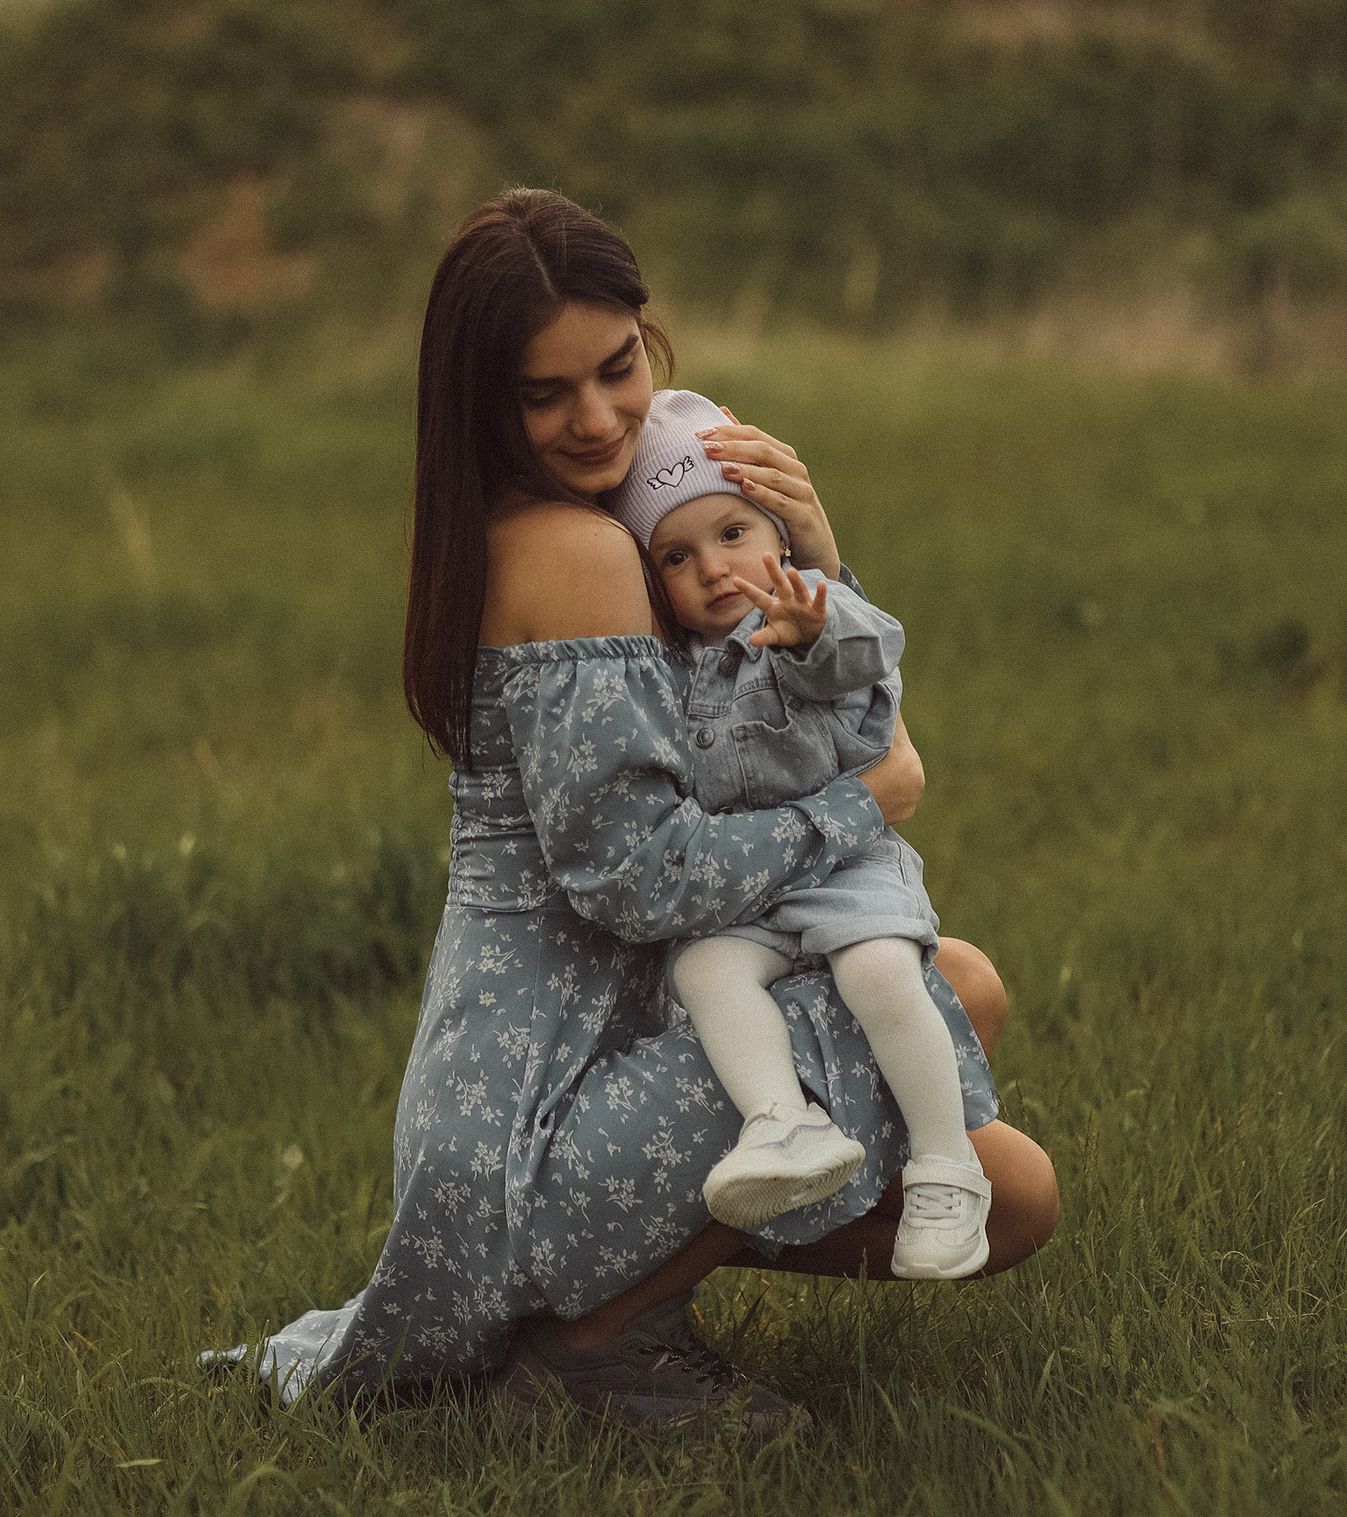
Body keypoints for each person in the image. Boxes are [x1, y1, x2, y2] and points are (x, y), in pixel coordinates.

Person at [213, 189, 1056, 1435]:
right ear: (481, 404)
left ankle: (616, 1313)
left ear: (648, 340)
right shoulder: (574, 553)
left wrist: (818, 561)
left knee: (994, 1128)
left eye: (616, 369)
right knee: (974, 1065)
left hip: (601, 1051)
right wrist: (861, 807)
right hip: (527, 1134)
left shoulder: (617, 525)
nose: (597, 417)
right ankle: (588, 1349)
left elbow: (784, 724)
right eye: (543, 394)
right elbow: (638, 882)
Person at [608, 388, 990, 1280]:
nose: (713, 567)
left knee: (881, 969)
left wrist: (815, 627)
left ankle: (947, 1165)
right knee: (704, 969)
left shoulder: (809, 613)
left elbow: (866, 659)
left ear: (779, 535)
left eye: (734, 533)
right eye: (677, 553)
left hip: (847, 865)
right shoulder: (664, 663)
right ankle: (784, 1123)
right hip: (750, 884)